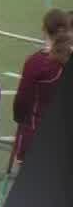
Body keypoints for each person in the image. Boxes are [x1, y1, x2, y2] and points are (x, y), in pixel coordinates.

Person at [12, 9, 71, 171]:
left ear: (44, 30)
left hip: (34, 134)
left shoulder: (37, 62)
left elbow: (22, 103)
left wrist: (18, 120)